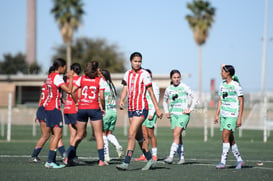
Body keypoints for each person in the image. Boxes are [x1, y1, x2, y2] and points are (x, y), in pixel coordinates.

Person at [116, 52, 163, 171]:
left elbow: (151, 92)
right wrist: (122, 100)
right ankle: (150, 160)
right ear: (131, 61)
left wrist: (157, 108)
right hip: (131, 109)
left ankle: (126, 162)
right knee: (139, 138)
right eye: (135, 61)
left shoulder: (145, 74)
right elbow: (125, 88)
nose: (137, 63)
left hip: (142, 108)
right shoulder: (127, 74)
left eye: (139, 61)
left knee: (131, 133)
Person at [66, 61, 108, 166]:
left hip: (82, 108)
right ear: (96, 70)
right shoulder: (100, 81)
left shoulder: (82, 78)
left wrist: (77, 102)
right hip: (94, 109)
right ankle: (101, 160)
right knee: (99, 135)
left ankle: (68, 157)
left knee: (79, 134)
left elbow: (71, 91)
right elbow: (102, 97)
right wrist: (103, 107)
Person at [30, 66, 65, 163]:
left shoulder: (46, 84)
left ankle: (64, 156)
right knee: (47, 135)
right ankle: (34, 155)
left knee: (56, 134)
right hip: (47, 109)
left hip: (43, 109)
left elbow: (42, 99)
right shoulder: (52, 84)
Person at [163, 69, 197, 165]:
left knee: (176, 134)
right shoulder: (168, 89)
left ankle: (170, 156)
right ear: (171, 78)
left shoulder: (184, 87)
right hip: (174, 115)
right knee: (178, 136)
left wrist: (190, 109)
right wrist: (166, 111)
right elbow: (164, 101)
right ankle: (182, 158)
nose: (176, 79)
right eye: (174, 77)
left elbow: (195, 97)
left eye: (178, 77)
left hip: (183, 115)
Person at [44, 58, 73, 169]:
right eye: (64, 67)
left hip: (48, 107)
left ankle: (52, 160)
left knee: (55, 135)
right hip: (54, 109)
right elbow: (68, 91)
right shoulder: (56, 77)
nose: (65, 69)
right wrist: (70, 79)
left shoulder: (49, 77)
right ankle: (50, 161)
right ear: (60, 67)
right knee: (57, 135)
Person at [214, 64, 245, 169]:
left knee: (225, 135)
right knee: (230, 138)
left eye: (222, 71)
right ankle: (240, 160)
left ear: (227, 73)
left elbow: (241, 101)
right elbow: (220, 100)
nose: (220, 73)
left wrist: (240, 117)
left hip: (232, 115)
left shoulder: (236, 85)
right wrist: (217, 114)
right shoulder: (222, 85)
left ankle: (223, 162)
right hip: (224, 114)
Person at [134, 69, 160, 162]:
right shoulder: (142, 85)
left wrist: (152, 112)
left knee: (150, 134)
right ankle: (145, 154)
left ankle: (154, 155)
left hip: (151, 112)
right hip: (143, 111)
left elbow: (155, 99)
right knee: (144, 134)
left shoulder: (154, 86)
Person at [100, 69, 124, 162]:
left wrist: (102, 108)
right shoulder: (111, 85)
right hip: (113, 112)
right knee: (109, 133)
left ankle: (106, 155)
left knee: (103, 134)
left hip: (106, 111)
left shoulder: (102, 84)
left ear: (103, 76)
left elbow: (102, 98)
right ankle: (117, 146)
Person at [63, 63, 82, 164]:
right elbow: (77, 95)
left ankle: (71, 157)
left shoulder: (68, 80)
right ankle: (70, 154)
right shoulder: (79, 80)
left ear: (73, 71)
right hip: (74, 110)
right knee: (82, 133)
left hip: (67, 108)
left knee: (73, 134)